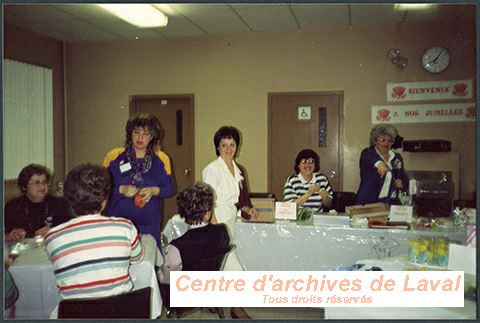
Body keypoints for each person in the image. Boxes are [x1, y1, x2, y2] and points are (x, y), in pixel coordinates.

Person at [44, 164, 144, 300]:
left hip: (75, 315)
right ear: (104, 202)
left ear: (68, 200)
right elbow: (137, 259)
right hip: (120, 312)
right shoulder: (125, 227)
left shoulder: (52, 237)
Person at [103, 113, 174, 248]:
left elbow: (170, 188)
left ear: (153, 137)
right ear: (130, 134)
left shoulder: (161, 158)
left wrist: (154, 190)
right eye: (136, 132)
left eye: (146, 134)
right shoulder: (113, 156)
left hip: (149, 227)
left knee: (149, 266)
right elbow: (101, 188)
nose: (140, 137)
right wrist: (120, 189)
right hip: (119, 225)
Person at [202, 126, 258, 271]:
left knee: (222, 270)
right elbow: (207, 204)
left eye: (232, 145)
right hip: (216, 223)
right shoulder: (212, 169)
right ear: (217, 147)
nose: (228, 149)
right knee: (234, 271)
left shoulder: (239, 170)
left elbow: (239, 200)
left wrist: (248, 209)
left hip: (230, 223)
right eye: (224, 145)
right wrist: (216, 230)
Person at [157, 182, 230, 284]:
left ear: (182, 212)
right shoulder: (223, 232)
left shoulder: (176, 247)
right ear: (208, 212)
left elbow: (165, 280)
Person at [4, 164, 72, 241]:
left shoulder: (60, 204)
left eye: (44, 182)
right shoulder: (12, 206)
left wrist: (54, 232)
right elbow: (4, 235)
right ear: (24, 186)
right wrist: (9, 236)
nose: (42, 186)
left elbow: (70, 229)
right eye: (37, 183)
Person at [355, 124, 409, 205]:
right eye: (383, 140)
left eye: (390, 140)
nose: (386, 143)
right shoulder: (368, 153)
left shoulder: (396, 158)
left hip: (389, 204)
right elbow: (370, 159)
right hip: (367, 203)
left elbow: (403, 178)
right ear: (375, 140)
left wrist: (402, 184)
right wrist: (379, 164)